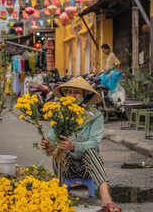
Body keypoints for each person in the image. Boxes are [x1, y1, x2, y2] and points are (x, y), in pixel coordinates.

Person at [41, 76, 121, 212]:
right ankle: (59, 196)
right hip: (65, 168)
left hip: (88, 169)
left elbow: (95, 143)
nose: (72, 96)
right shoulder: (59, 115)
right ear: (65, 95)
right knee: (60, 151)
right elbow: (52, 141)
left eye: (77, 92)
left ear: (85, 96)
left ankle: (106, 199)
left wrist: (74, 146)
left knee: (90, 150)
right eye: (69, 92)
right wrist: (49, 146)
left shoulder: (96, 116)